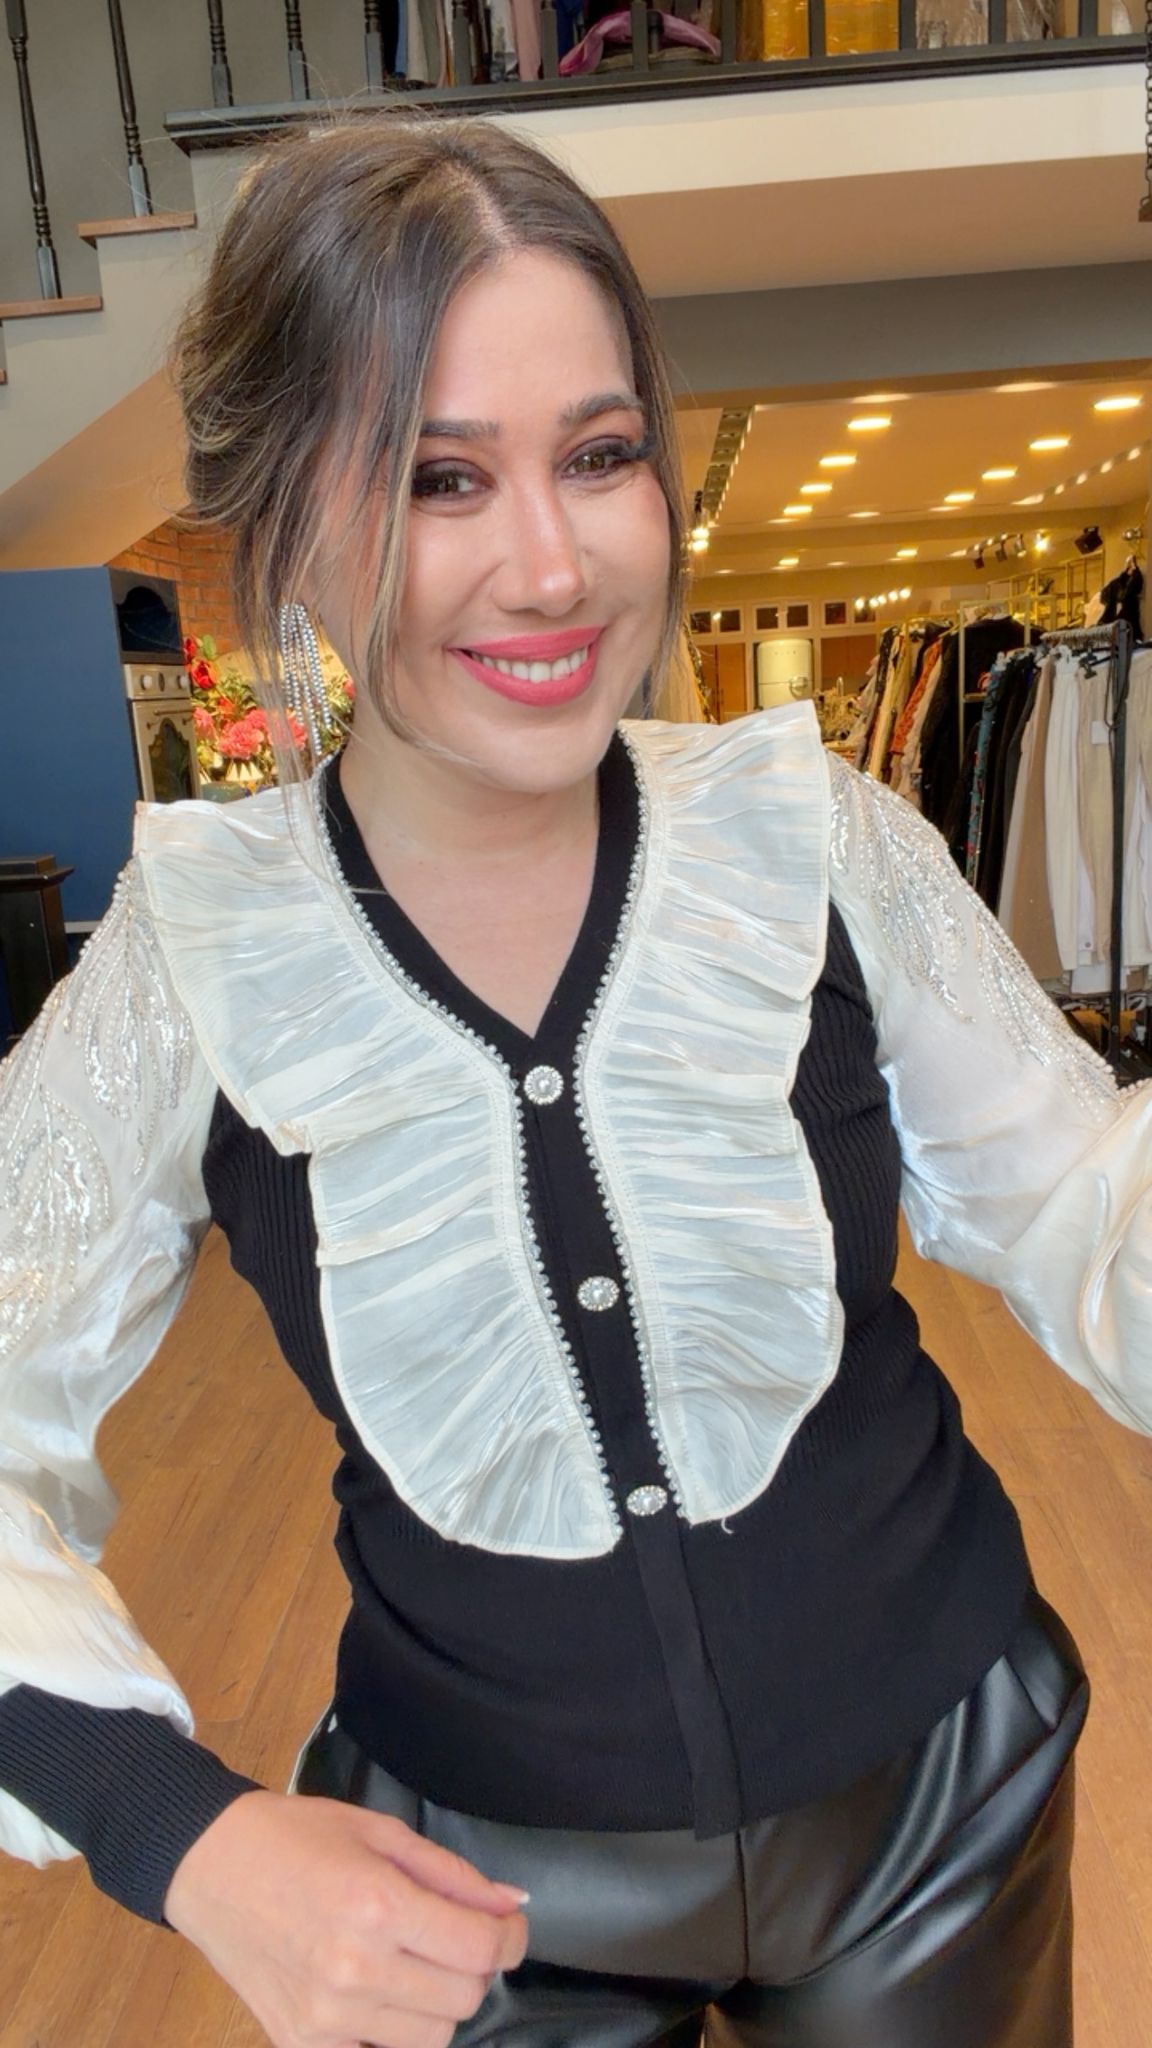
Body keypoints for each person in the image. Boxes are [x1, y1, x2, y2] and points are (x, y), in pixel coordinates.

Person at [0, 112, 1149, 2048]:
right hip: (469, 1896)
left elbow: (1086, 1208)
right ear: (283, 515)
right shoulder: (194, 954)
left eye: (602, 455)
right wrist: (177, 1830)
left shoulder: (819, 839)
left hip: (935, 1810)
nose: (550, 566)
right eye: (438, 476)